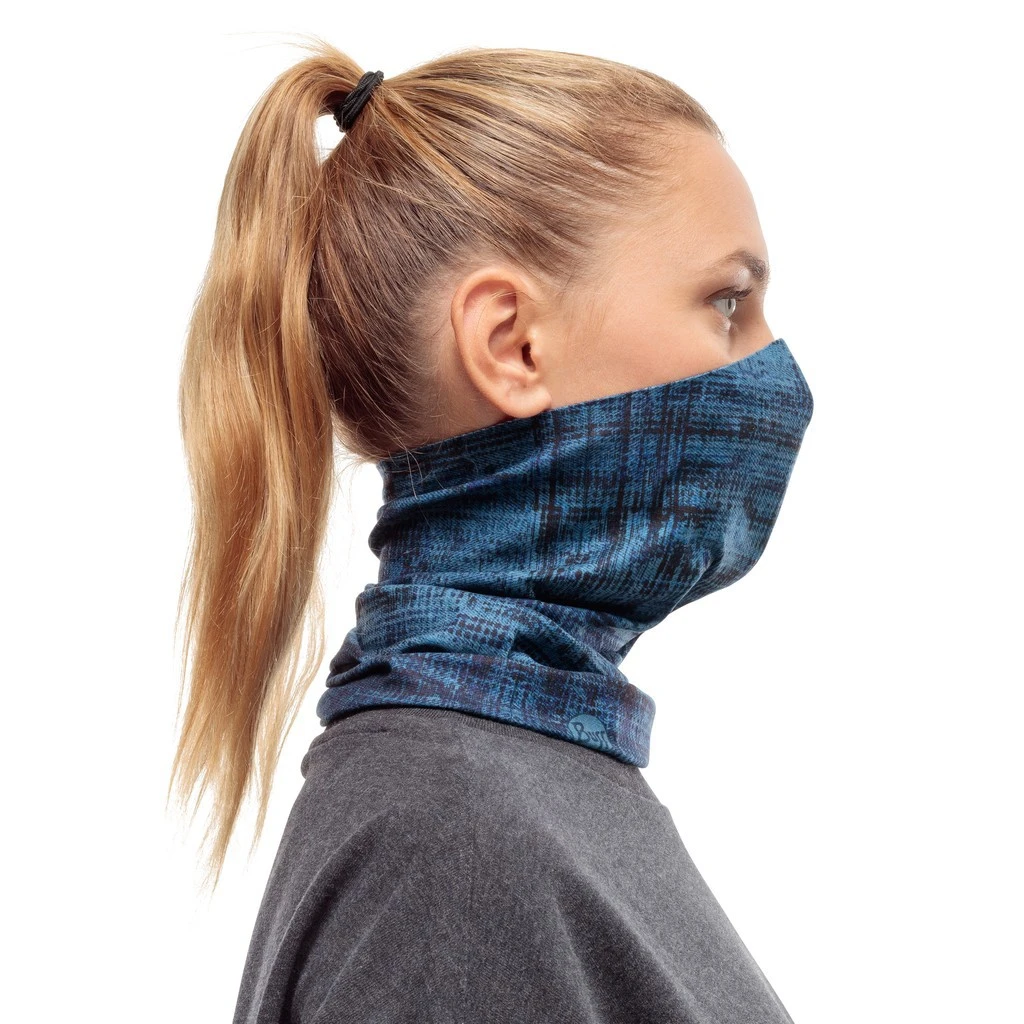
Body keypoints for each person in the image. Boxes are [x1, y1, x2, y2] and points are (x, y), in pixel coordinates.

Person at [168, 37, 813, 1024]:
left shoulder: (523, 777)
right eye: (727, 302)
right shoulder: (443, 841)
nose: (776, 368)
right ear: (511, 344)